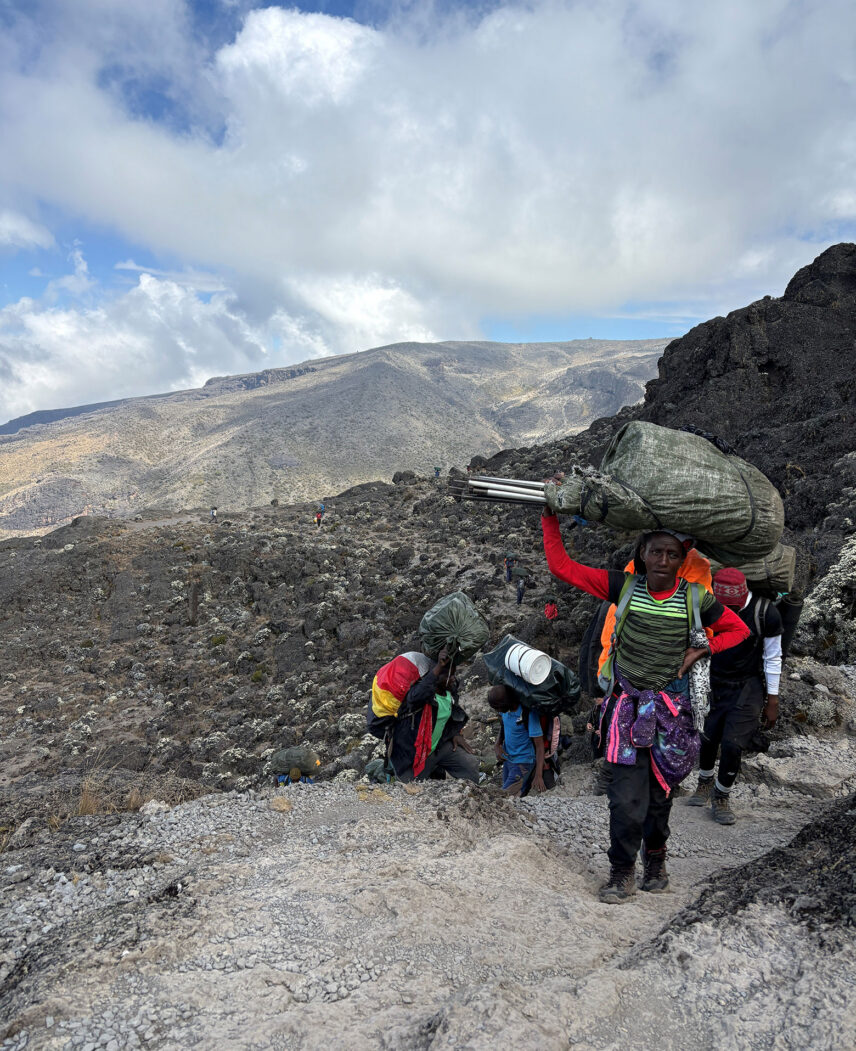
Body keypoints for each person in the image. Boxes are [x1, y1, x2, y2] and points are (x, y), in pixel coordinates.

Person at [541, 507, 750, 903]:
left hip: (672, 715)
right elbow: (562, 566)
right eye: (656, 552)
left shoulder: (695, 597)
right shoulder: (623, 586)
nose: (664, 561)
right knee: (625, 799)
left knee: (659, 797)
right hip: (626, 709)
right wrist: (551, 515)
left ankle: (656, 862)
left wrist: (701, 650)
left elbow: (738, 630)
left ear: (682, 559)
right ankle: (621, 873)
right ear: (642, 553)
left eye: (673, 555)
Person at [686, 568, 783, 824]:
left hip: (747, 685)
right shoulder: (708, 607)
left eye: (732, 608)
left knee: (733, 743)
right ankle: (704, 782)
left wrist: (772, 700)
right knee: (708, 736)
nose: (726, 614)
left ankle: (722, 796)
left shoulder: (765, 613)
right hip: (712, 680)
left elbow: (772, 656)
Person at [389, 647, 480, 783]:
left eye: (454, 675)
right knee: (409, 787)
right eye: (448, 676)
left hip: (438, 746)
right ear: (436, 677)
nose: (453, 679)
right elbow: (415, 697)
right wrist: (438, 666)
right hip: (413, 755)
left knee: (471, 765)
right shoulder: (421, 696)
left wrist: (456, 734)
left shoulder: (450, 691)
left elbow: (451, 716)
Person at [488, 685, 547, 796]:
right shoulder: (505, 711)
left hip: (523, 763)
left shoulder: (528, 714)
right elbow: (503, 726)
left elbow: (539, 746)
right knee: (508, 795)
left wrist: (538, 775)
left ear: (506, 703)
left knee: (504, 796)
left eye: (497, 708)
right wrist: (497, 744)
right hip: (508, 760)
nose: (497, 711)